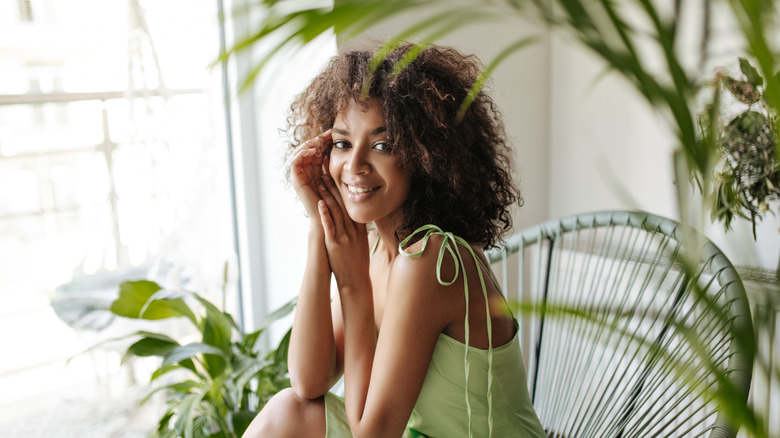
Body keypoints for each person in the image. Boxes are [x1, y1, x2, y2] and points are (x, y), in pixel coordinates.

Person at [242, 42, 546, 438]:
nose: (354, 166)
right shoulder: (372, 248)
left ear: (426, 155)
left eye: (383, 145)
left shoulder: (433, 260)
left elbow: (373, 435)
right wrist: (321, 225)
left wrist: (352, 286)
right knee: (289, 411)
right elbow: (308, 382)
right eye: (342, 143)